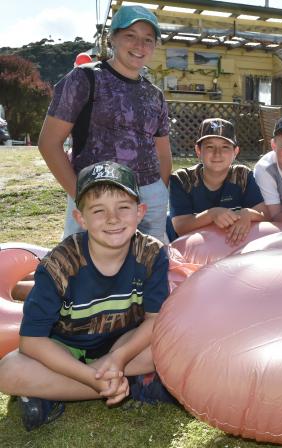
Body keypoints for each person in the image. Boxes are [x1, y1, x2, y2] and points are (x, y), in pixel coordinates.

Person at [0, 161, 175, 431]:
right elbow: (31, 342)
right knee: (9, 371)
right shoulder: (59, 264)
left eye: (123, 207)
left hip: (122, 345)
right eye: (98, 210)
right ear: (80, 218)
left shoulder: (152, 253)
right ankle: (130, 385)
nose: (113, 219)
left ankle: (52, 392)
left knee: (170, 346)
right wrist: (92, 377)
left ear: (140, 212)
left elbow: (154, 319)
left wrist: (117, 359)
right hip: (66, 349)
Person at [38, 4, 172, 243]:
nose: (139, 46)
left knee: (148, 268)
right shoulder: (85, 78)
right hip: (96, 194)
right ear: (112, 38)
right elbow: (49, 143)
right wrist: (82, 197)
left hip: (149, 199)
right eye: (130, 36)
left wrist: (157, 192)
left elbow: (163, 152)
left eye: (148, 39)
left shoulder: (155, 95)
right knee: (83, 269)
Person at [167, 118, 267, 242]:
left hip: (230, 249)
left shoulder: (242, 176)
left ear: (235, 152)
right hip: (190, 253)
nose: (217, 153)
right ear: (198, 150)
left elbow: (265, 216)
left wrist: (248, 214)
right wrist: (211, 214)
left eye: (225, 147)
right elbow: (181, 227)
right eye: (210, 147)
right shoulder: (183, 179)